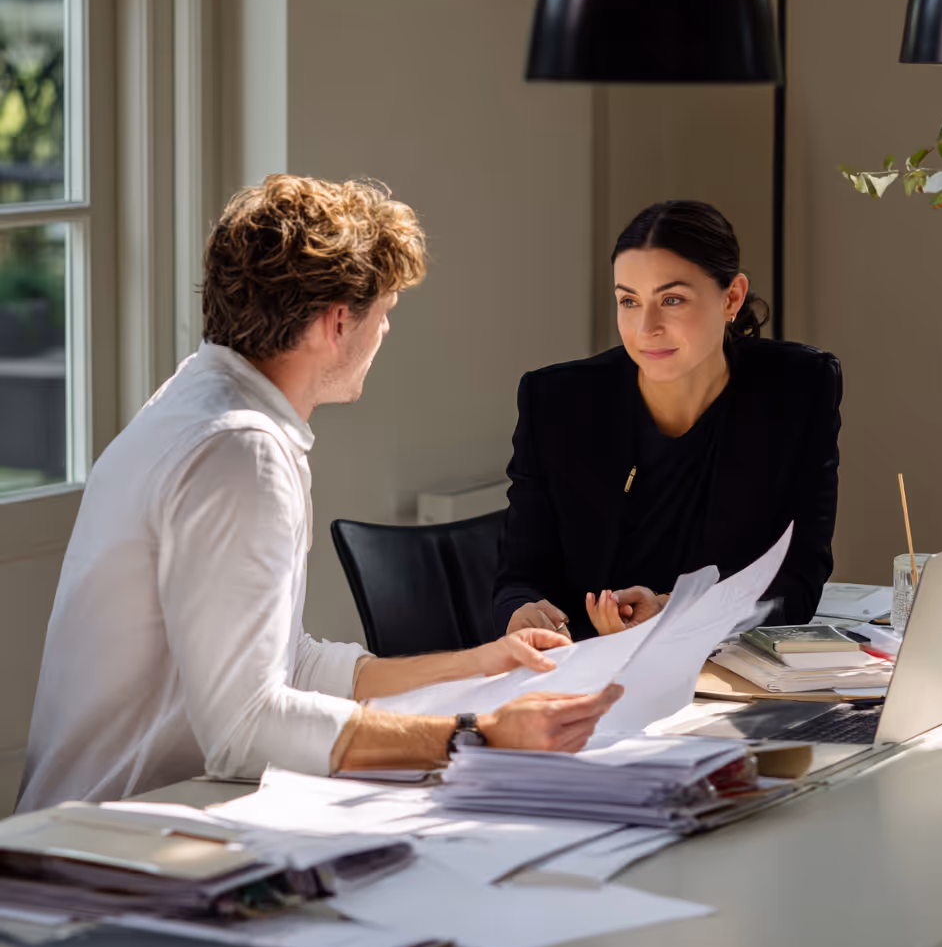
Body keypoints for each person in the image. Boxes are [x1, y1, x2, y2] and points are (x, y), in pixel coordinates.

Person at [17, 175, 621, 813]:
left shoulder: (199, 400)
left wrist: (480, 664)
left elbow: (288, 664)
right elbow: (244, 730)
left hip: (114, 819)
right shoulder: (241, 450)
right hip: (110, 836)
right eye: (384, 313)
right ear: (337, 322)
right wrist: (479, 735)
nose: (384, 331)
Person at [494, 200, 842, 642]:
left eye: (672, 300)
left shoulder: (797, 388)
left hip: (721, 664)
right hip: (586, 661)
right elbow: (519, 578)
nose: (647, 328)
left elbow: (797, 581)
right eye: (629, 301)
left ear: (731, 298)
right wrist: (520, 612)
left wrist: (675, 612)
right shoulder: (557, 401)